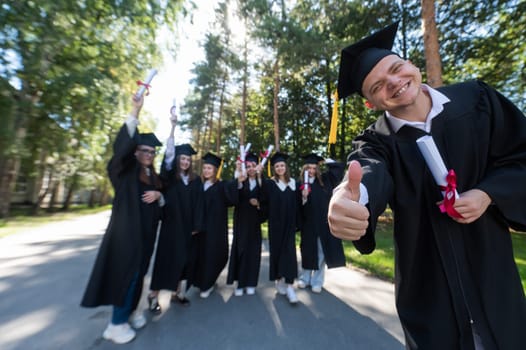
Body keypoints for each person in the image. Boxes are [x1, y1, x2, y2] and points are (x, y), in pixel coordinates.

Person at [328, 22, 526, 349]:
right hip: (428, 293)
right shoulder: (376, 141)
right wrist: (351, 198)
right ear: (370, 104)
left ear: (412, 65)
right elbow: (368, 172)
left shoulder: (476, 100)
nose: (393, 82)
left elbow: (521, 155)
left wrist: (488, 193)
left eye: (396, 68)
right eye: (378, 86)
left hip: (494, 274)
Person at [81, 95, 164, 344]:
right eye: (144, 150)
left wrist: (160, 195)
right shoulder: (125, 172)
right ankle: (116, 324)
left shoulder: (153, 177)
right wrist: (135, 110)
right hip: (126, 238)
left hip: (145, 239)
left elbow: (162, 205)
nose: (148, 154)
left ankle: (130, 313)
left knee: (138, 277)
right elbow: (120, 151)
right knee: (125, 277)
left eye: (151, 151)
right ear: (135, 152)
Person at [148, 111, 204, 313]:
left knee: (183, 260)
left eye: (188, 160)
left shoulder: (196, 180)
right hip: (171, 226)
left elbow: (199, 203)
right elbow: (168, 154)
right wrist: (172, 127)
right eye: (183, 159)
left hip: (187, 227)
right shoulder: (170, 176)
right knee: (165, 260)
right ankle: (153, 296)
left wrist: (197, 225)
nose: (185, 162)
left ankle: (176, 293)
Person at [193, 152, 242, 298]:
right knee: (199, 256)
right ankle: (201, 282)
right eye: (205, 168)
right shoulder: (199, 186)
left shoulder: (221, 186)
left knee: (214, 256)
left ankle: (207, 284)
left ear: (215, 170)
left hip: (216, 229)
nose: (207, 171)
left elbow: (232, 196)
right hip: (199, 229)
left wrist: (237, 173)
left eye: (210, 168)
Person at [297, 153, 345, 293]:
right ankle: (305, 278)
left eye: (314, 168)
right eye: (308, 168)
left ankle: (317, 281)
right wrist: (304, 198)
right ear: (304, 169)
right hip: (308, 224)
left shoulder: (325, 180)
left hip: (323, 223)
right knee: (307, 251)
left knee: (321, 252)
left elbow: (338, 169)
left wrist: (326, 160)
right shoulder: (300, 184)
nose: (311, 171)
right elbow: (297, 207)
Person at [260, 152, 300, 304]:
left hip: (289, 225)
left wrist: (303, 197)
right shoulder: (270, 184)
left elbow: (298, 205)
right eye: (277, 166)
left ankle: (289, 286)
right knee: (276, 252)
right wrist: (260, 173)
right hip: (275, 225)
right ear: (274, 168)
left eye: (282, 165)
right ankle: (279, 280)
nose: (280, 168)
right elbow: (263, 197)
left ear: (286, 167)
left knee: (289, 253)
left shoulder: (294, 184)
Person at [227, 152, 264, 296]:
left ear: (257, 167)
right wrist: (238, 180)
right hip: (241, 222)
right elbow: (231, 197)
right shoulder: (241, 180)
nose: (250, 168)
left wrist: (259, 204)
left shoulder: (262, 183)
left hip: (255, 224)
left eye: (253, 166)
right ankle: (239, 283)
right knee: (240, 251)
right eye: (248, 166)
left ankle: (251, 283)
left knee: (254, 253)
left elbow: (268, 201)